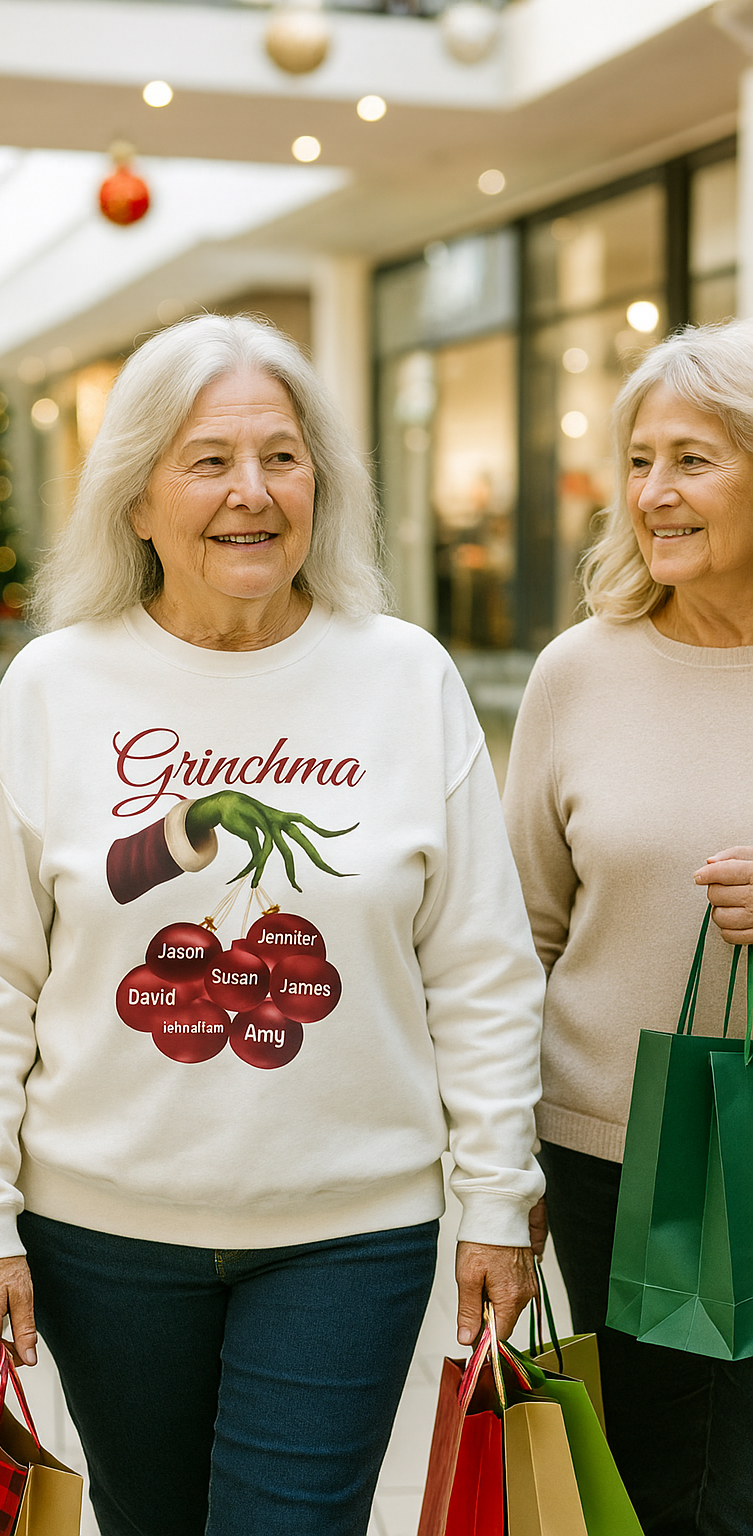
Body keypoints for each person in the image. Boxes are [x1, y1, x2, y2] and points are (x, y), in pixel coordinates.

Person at [0, 314, 545, 1536]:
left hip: (350, 1232)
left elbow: (480, 965)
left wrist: (493, 1194)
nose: (251, 492)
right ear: (137, 500)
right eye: (207, 460)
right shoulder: (55, 686)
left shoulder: (406, 678)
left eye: (282, 457)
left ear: (322, 484)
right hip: (101, 1230)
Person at [503, 318, 753, 1536]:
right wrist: (500, 1168)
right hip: (634, 1151)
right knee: (675, 1487)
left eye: (692, 460)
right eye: (640, 460)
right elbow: (519, 939)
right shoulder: (579, 673)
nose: (653, 493)